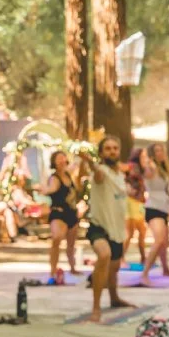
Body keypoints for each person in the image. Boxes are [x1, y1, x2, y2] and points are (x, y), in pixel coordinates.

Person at [83, 135, 137, 323]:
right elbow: (97, 173)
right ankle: (96, 308)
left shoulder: (119, 175)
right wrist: (89, 161)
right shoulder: (101, 172)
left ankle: (114, 298)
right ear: (101, 153)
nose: (112, 151)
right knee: (103, 255)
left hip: (117, 229)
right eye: (108, 148)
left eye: (115, 148)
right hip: (99, 226)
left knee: (113, 269)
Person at [141, 142, 169, 284]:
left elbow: (165, 189)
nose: (160, 153)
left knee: (165, 242)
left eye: (162, 150)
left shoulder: (164, 170)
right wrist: (147, 163)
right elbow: (146, 172)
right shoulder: (152, 167)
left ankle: (165, 269)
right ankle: (145, 274)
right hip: (153, 208)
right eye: (157, 151)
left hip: (163, 208)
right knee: (159, 241)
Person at [44, 148, 81, 281]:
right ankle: (52, 270)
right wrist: (44, 190)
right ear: (54, 162)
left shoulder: (69, 175)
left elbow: (76, 164)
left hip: (71, 213)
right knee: (56, 238)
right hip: (58, 212)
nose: (61, 161)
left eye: (63, 158)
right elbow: (51, 188)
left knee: (71, 244)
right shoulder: (54, 178)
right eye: (58, 159)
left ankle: (72, 267)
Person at [124, 148, 148, 266]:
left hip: (139, 202)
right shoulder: (132, 166)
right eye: (143, 156)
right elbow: (124, 177)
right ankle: (121, 258)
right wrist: (128, 188)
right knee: (130, 231)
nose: (145, 158)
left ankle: (143, 258)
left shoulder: (143, 168)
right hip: (131, 201)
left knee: (142, 231)